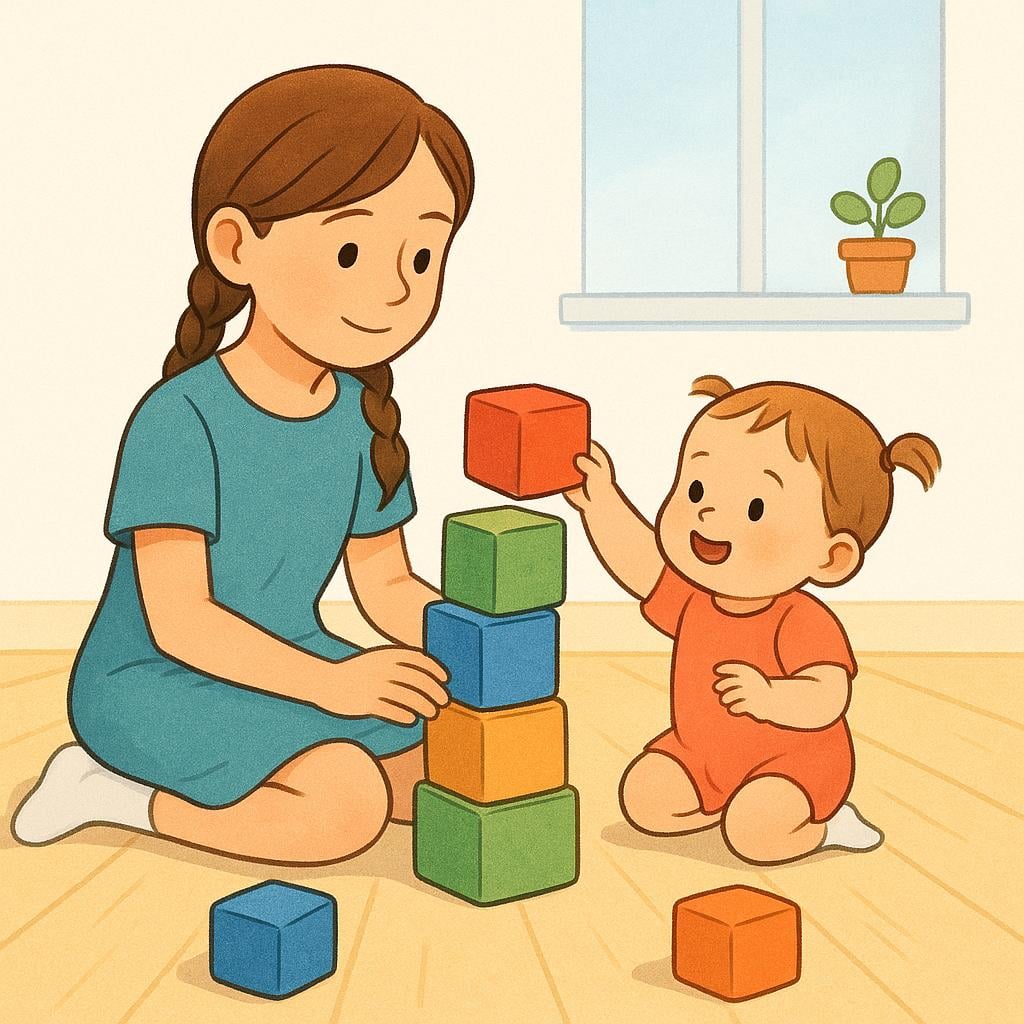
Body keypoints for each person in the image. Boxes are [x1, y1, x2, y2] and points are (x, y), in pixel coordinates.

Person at [13, 65, 474, 864]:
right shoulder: (181, 418)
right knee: (346, 805)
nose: (397, 288)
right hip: (154, 681)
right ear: (235, 246)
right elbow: (181, 620)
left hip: (292, 661)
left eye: (425, 255)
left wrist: (481, 649)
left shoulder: (362, 422)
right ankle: (109, 792)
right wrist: (334, 686)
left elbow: (387, 585)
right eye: (354, 247)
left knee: (452, 757)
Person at [565, 374, 941, 864]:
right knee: (644, 799)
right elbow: (642, 565)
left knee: (755, 836)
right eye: (696, 488)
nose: (708, 514)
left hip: (794, 764)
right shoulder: (697, 598)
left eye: (756, 508)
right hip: (703, 753)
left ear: (831, 559)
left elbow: (829, 695)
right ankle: (723, 807)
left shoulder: (799, 620)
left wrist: (770, 697)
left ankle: (825, 827)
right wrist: (602, 501)